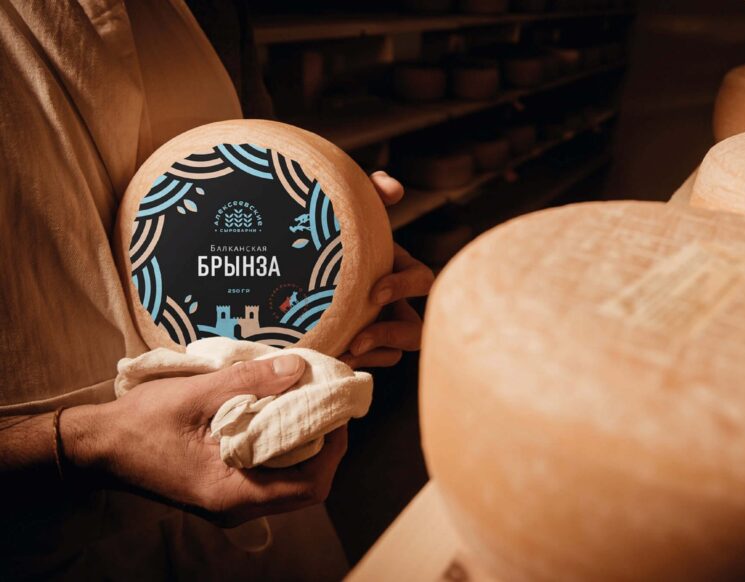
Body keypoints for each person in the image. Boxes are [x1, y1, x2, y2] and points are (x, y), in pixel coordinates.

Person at [0, 0, 432, 579]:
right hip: (48, 545)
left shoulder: (214, 8)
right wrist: (82, 444)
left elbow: (259, 159)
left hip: (264, 470)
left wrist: (346, 247)